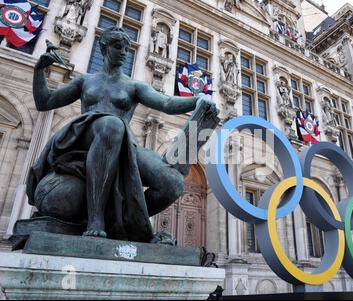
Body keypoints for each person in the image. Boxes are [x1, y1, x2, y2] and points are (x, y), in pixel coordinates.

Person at [28, 27, 218, 242]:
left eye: (128, 48)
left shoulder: (133, 86)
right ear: (104, 47)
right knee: (111, 124)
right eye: (118, 47)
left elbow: (166, 102)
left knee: (172, 183)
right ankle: (95, 220)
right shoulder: (85, 81)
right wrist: (38, 71)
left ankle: (125, 224)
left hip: (124, 141)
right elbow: (45, 102)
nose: (125, 53)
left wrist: (197, 100)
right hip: (86, 135)